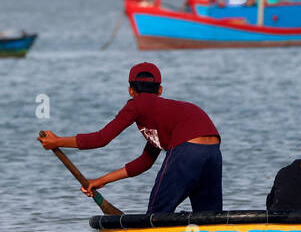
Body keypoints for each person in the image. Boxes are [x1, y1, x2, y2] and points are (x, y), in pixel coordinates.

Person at [38, 62, 223, 213]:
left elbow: (101, 139)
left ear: (131, 91)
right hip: (212, 150)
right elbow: (145, 162)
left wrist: (57, 141)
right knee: (209, 217)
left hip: (187, 149)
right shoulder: (165, 114)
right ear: (160, 90)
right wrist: (101, 181)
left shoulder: (136, 104)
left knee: (157, 214)